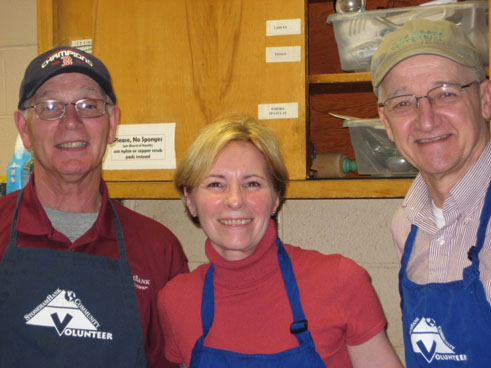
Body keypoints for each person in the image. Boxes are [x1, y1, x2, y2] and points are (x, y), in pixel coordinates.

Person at [157, 112, 402, 367]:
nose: (235, 200)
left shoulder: (339, 280)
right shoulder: (175, 300)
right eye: (216, 185)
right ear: (189, 200)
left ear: (275, 198)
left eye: (252, 184)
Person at [0, 46, 189, 367]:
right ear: (24, 128)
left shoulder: (158, 248)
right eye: (49, 106)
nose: (71, 121)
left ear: (113, 123)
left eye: (89, 106)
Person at [370, 19, 491, 366]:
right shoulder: (407, 224)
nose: (426, 119)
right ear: (386, 123)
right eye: (403, 103)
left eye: (445, 93)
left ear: (485, 99)